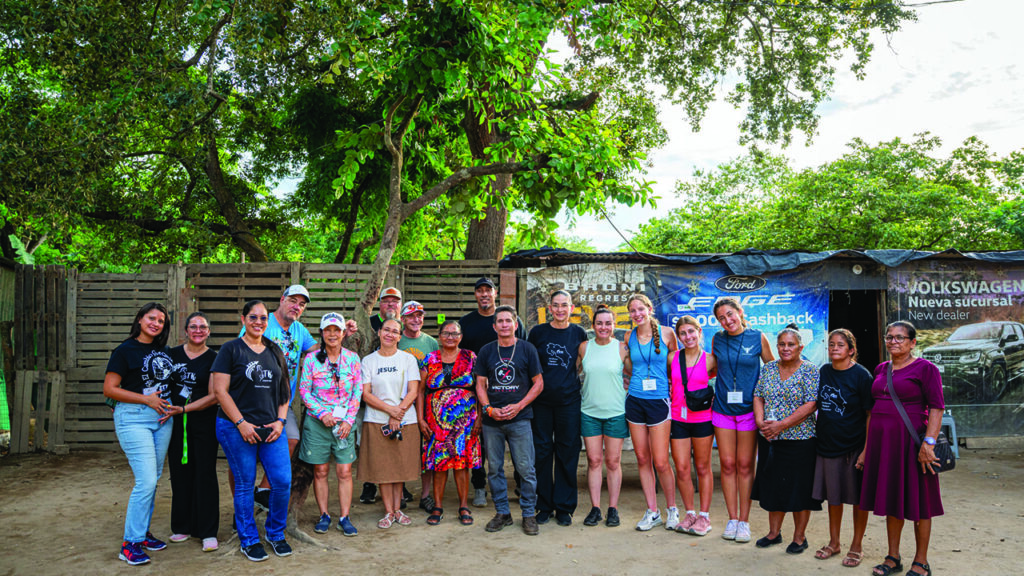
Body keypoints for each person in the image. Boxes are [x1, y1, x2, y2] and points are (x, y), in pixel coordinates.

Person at [860, 321, 945, 576]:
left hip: (912, 444)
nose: (893, 342)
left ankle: (921, 561)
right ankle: (893, 557)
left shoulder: (926, 369)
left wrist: (928, 444)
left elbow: (937, 408)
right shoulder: (880, 368)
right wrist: (866, 450)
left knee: (921, 503)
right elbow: (871, 411)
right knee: (891, 499)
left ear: (912, 342)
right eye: (889, 337)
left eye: (899, 338)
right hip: (884, 447)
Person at [212, 300, 293, 562]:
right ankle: (249, 539)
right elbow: (220, 391)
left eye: (263, 318)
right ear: (243, 319)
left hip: (271, 428)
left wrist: (281, 422)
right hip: (236, 427)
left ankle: (276, 533)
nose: (258, 322)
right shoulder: (230, 349)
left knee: (281, 482)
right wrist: (241, 423)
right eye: (253, 317)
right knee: (245, 484)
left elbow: (284, 393)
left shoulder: (275, 351)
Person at [103, 303, 176, 566]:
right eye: (151, 318)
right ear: (140, 320)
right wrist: (146, 401)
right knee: (145, 481)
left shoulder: (163, 351)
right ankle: (129, 543)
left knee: (152, 479)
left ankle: (142, 534)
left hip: (162, 419)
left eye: (161, 321)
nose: (156, 323)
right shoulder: (124, 350)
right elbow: (110, 389)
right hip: (134, 418)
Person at [243, 285, 317, 510]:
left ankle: (263, 490)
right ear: (282, 299)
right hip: (253, 400)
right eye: (293, 300)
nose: (297, 307)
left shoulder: (299, 330)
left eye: (302, 304)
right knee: (245, 456)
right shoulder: (263, 322)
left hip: (282, 402)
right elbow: (242, 351)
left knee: (291, 439)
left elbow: (317, 351)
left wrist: (341, 335)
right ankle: (243, 505)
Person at [751, 325, 821, 554]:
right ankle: (774, 533)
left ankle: (800, 538)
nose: (786, 348)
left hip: (800, 440)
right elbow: (758, 395)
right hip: (771, 440)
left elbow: (811, 404)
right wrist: (761, 422)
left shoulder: (810, 370)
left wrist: (781, 425)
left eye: (791, 344)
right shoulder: (769, 368)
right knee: (773, 488)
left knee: (800, 490)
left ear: (800, 347)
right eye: (782, 344)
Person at [475, 305, 544, 535]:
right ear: (494, 326)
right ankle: (502, 513)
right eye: (500, 321)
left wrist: (519, 406)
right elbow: (480, 384)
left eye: (508, 321)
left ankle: (528, 514)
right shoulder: (486, 351)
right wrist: (488, 409)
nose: (504, 324)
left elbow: (538, 384)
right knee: (494, 469)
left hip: (520, 418)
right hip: (492, 421)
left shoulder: (527, 349)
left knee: (526, 468)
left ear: (516, 324)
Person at [711, 297, 774, 543]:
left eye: (730, 314)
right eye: (721, 318)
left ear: (740, 312)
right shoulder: (717, 339)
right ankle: (732, 518)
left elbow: (771, 369)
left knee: (745, 465)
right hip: (723, 410)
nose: (727, 321)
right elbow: (713, 367)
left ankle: (745, 521)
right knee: (727, 464)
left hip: (749, 411)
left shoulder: (757, 337)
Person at [459, 277, 525, 507]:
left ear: (495, 293)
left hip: (511, 390)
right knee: (480, 444)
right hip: (477, 391)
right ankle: (479, 487)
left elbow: (523, 354)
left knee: (517, 442)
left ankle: (519, 483)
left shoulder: (512, 321)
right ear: (475, 295)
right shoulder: (466, 323)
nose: (484, 294)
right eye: (480, 291)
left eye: (488, 290)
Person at [297, 312, 363, 537]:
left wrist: (348, 420)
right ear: (322, 333)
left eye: (337, 330)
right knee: (321, 470)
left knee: (344, 471)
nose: (332, 334)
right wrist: (322, 413)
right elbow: (304, 390)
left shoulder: (353, 358)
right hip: (318, 423)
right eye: (328, 330)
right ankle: (324, 514)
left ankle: (345, 516)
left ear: (344, 333)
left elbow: (357, 391)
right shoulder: (311, 359)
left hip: (345, 423)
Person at [812, 329, 873, 566]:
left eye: (840, 345)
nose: (834, 348)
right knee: (833, 497)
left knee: (858, 499)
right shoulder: (824, 371)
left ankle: (856, 545)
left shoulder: (861, 376)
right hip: (827, 445)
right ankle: (834, 542)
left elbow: (870, 415)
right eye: (831, 344)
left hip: (854, 446)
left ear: (851, 349)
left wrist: (866, 450)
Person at [527, 290, 587, 526]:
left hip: (569, 402)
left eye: (565, 305)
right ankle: (544, 505)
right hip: (541, 403)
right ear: (549, 308)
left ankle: (564, 507)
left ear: (571, 308)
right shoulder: (538, 333)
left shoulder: (578, 333)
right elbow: (529, 365)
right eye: (556, 305)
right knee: (541, 454)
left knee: (567, 453)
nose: (560, 309)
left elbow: (581, 363)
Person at [622, 293, 679, 531]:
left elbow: (674, 366)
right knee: (643, 458)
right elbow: (628, 365)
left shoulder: (667, 333)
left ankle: (672, 510)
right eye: (632, 311)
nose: (637, 314)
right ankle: (652, 511)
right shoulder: (628, 335)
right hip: (635, 400)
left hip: (659, 401)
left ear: (649, 308)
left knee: (661, 461)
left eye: (640, 309)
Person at [359, 317, 422, 529]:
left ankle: (398, 509)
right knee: (384, 469)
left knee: (399, 466)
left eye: (395, 331)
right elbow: (365, 394)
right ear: (379, 332)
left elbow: (413, 391)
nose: (390, 334)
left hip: (406, 420)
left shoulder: (408, 359)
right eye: (387, 330)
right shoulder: (368, 361)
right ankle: (388, 511)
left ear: (400, 336)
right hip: (377, 420)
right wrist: (390, 411)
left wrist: (398, 413)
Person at [165, 312, 220, 552]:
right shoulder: (171, 355)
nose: (198, 330)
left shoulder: (214, 358)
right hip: (173, 422)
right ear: (186, 330)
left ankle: (207, 531)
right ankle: (182, 526)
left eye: (203, 327)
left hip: (203, 422)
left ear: (208, 332)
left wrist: (186, 408)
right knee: (179, 472)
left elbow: (214, 395)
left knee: (205, 474)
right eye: (194, 326)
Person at [419, 320, 482, 526]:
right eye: (446, 333)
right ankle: (437, 506)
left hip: (464, 421)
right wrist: (420, 419)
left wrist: (480, 417)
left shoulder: (471, 357)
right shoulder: (430, 358)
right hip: (436, 420)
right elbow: (420, 391)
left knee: (461, 464)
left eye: (454, 334)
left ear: (461, 337)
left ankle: (464, 505)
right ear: (439, 336)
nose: (450, 337)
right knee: (439, 464)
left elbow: (481, 388)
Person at [578, 304, 628, 528]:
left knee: (613, 461)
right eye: (599, 323)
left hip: (616, 412)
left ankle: (613, 508)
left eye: (608, 323)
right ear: (593, 326)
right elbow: (571, 373)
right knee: (594, 461)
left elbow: (634, 373)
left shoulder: (622, 348)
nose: (604, 327)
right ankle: (596, 508)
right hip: (589, 412)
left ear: (614, 325)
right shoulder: (584, 347)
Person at [669, 316, 717, 536]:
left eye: (691, 331)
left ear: (699, 332)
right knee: (682, 468)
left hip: (703, 420)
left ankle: (704, 517)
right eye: (683, 333)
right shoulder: (672, 358)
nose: (688, 337)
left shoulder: (710, 360)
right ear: (678, 337)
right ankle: (689, 513)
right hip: (679, 419)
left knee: (703, 467)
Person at [359, 285, 403, 505]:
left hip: (398, 400)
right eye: (386, 301)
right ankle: (370, 485)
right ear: (379, 303)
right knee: (372, 447)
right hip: (369, 396)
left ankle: (399, 490)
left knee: (396, 448)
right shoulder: (366, 324)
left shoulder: (403, 327)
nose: (391, 305)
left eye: (395, 301)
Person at [398, 300, 440, 512]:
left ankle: (425, 495)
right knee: (402, 449)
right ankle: (401, 492)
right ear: (403, 319)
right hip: (400, 403)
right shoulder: (396, 340)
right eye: (412, 316)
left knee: (427, 449)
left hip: (427, 403)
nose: (417, 319)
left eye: (420, 315)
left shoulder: (431, 343)